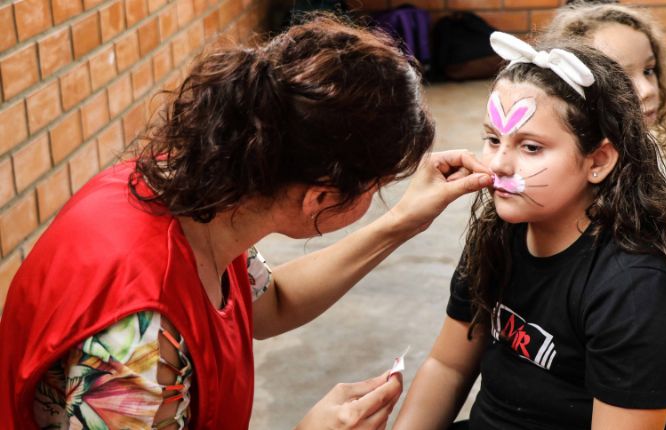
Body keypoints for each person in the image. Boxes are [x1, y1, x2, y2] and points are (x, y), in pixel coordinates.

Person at [0, 15, 493, 429]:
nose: (380, 200)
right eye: (377, 188)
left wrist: (403, 221)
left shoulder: (201, 192)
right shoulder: (139, 343)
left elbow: (268, 302)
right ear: (320, 196)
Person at [394, 34, 666, 430]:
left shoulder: (638, 290)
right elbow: (446, 365)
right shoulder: (498, 234)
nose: (499, 163)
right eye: (492, 139)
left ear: (598, 161)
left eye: (531, 147)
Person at [542, 2, 666, 217]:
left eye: (648, 70)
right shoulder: (565, 174)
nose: (647, 90)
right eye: (622, 77)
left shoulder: (641, 151)